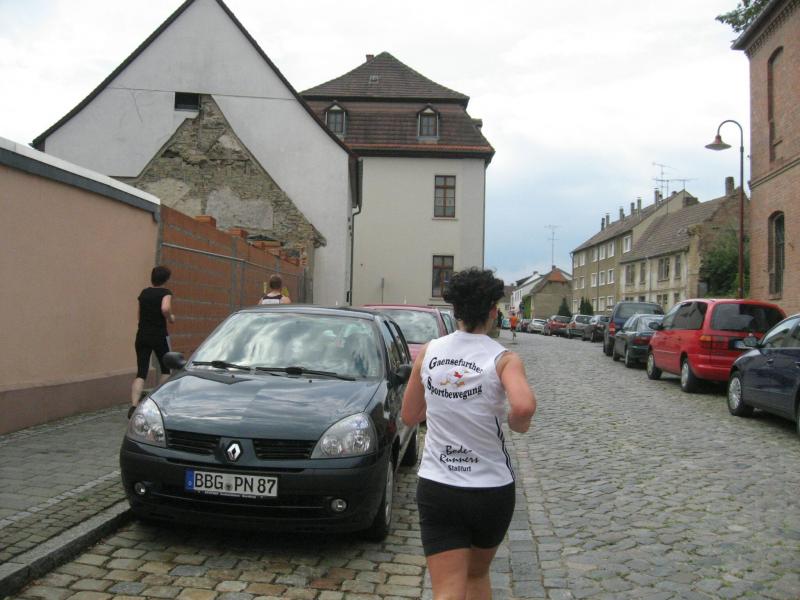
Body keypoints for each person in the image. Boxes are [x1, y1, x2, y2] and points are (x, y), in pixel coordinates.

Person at [401, 267, 537, 600]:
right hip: (490, 488)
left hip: (439, 485)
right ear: (493, 310)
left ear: (455, 310)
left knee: (447, 589)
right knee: (477, 576)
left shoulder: (429, 352)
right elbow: (523, 407)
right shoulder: (503, 359)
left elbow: (410, 415)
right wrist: (516, 424)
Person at [130, 265, 175, 418]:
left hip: (142, 335)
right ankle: (156, 401)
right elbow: (165, 308)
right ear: (166, 279)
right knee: (166, 369)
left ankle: (133, 405)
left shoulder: (144, 293)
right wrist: (171, 317)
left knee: (141, 372)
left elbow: (138, 315)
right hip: (159, 335)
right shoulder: (166, 293)